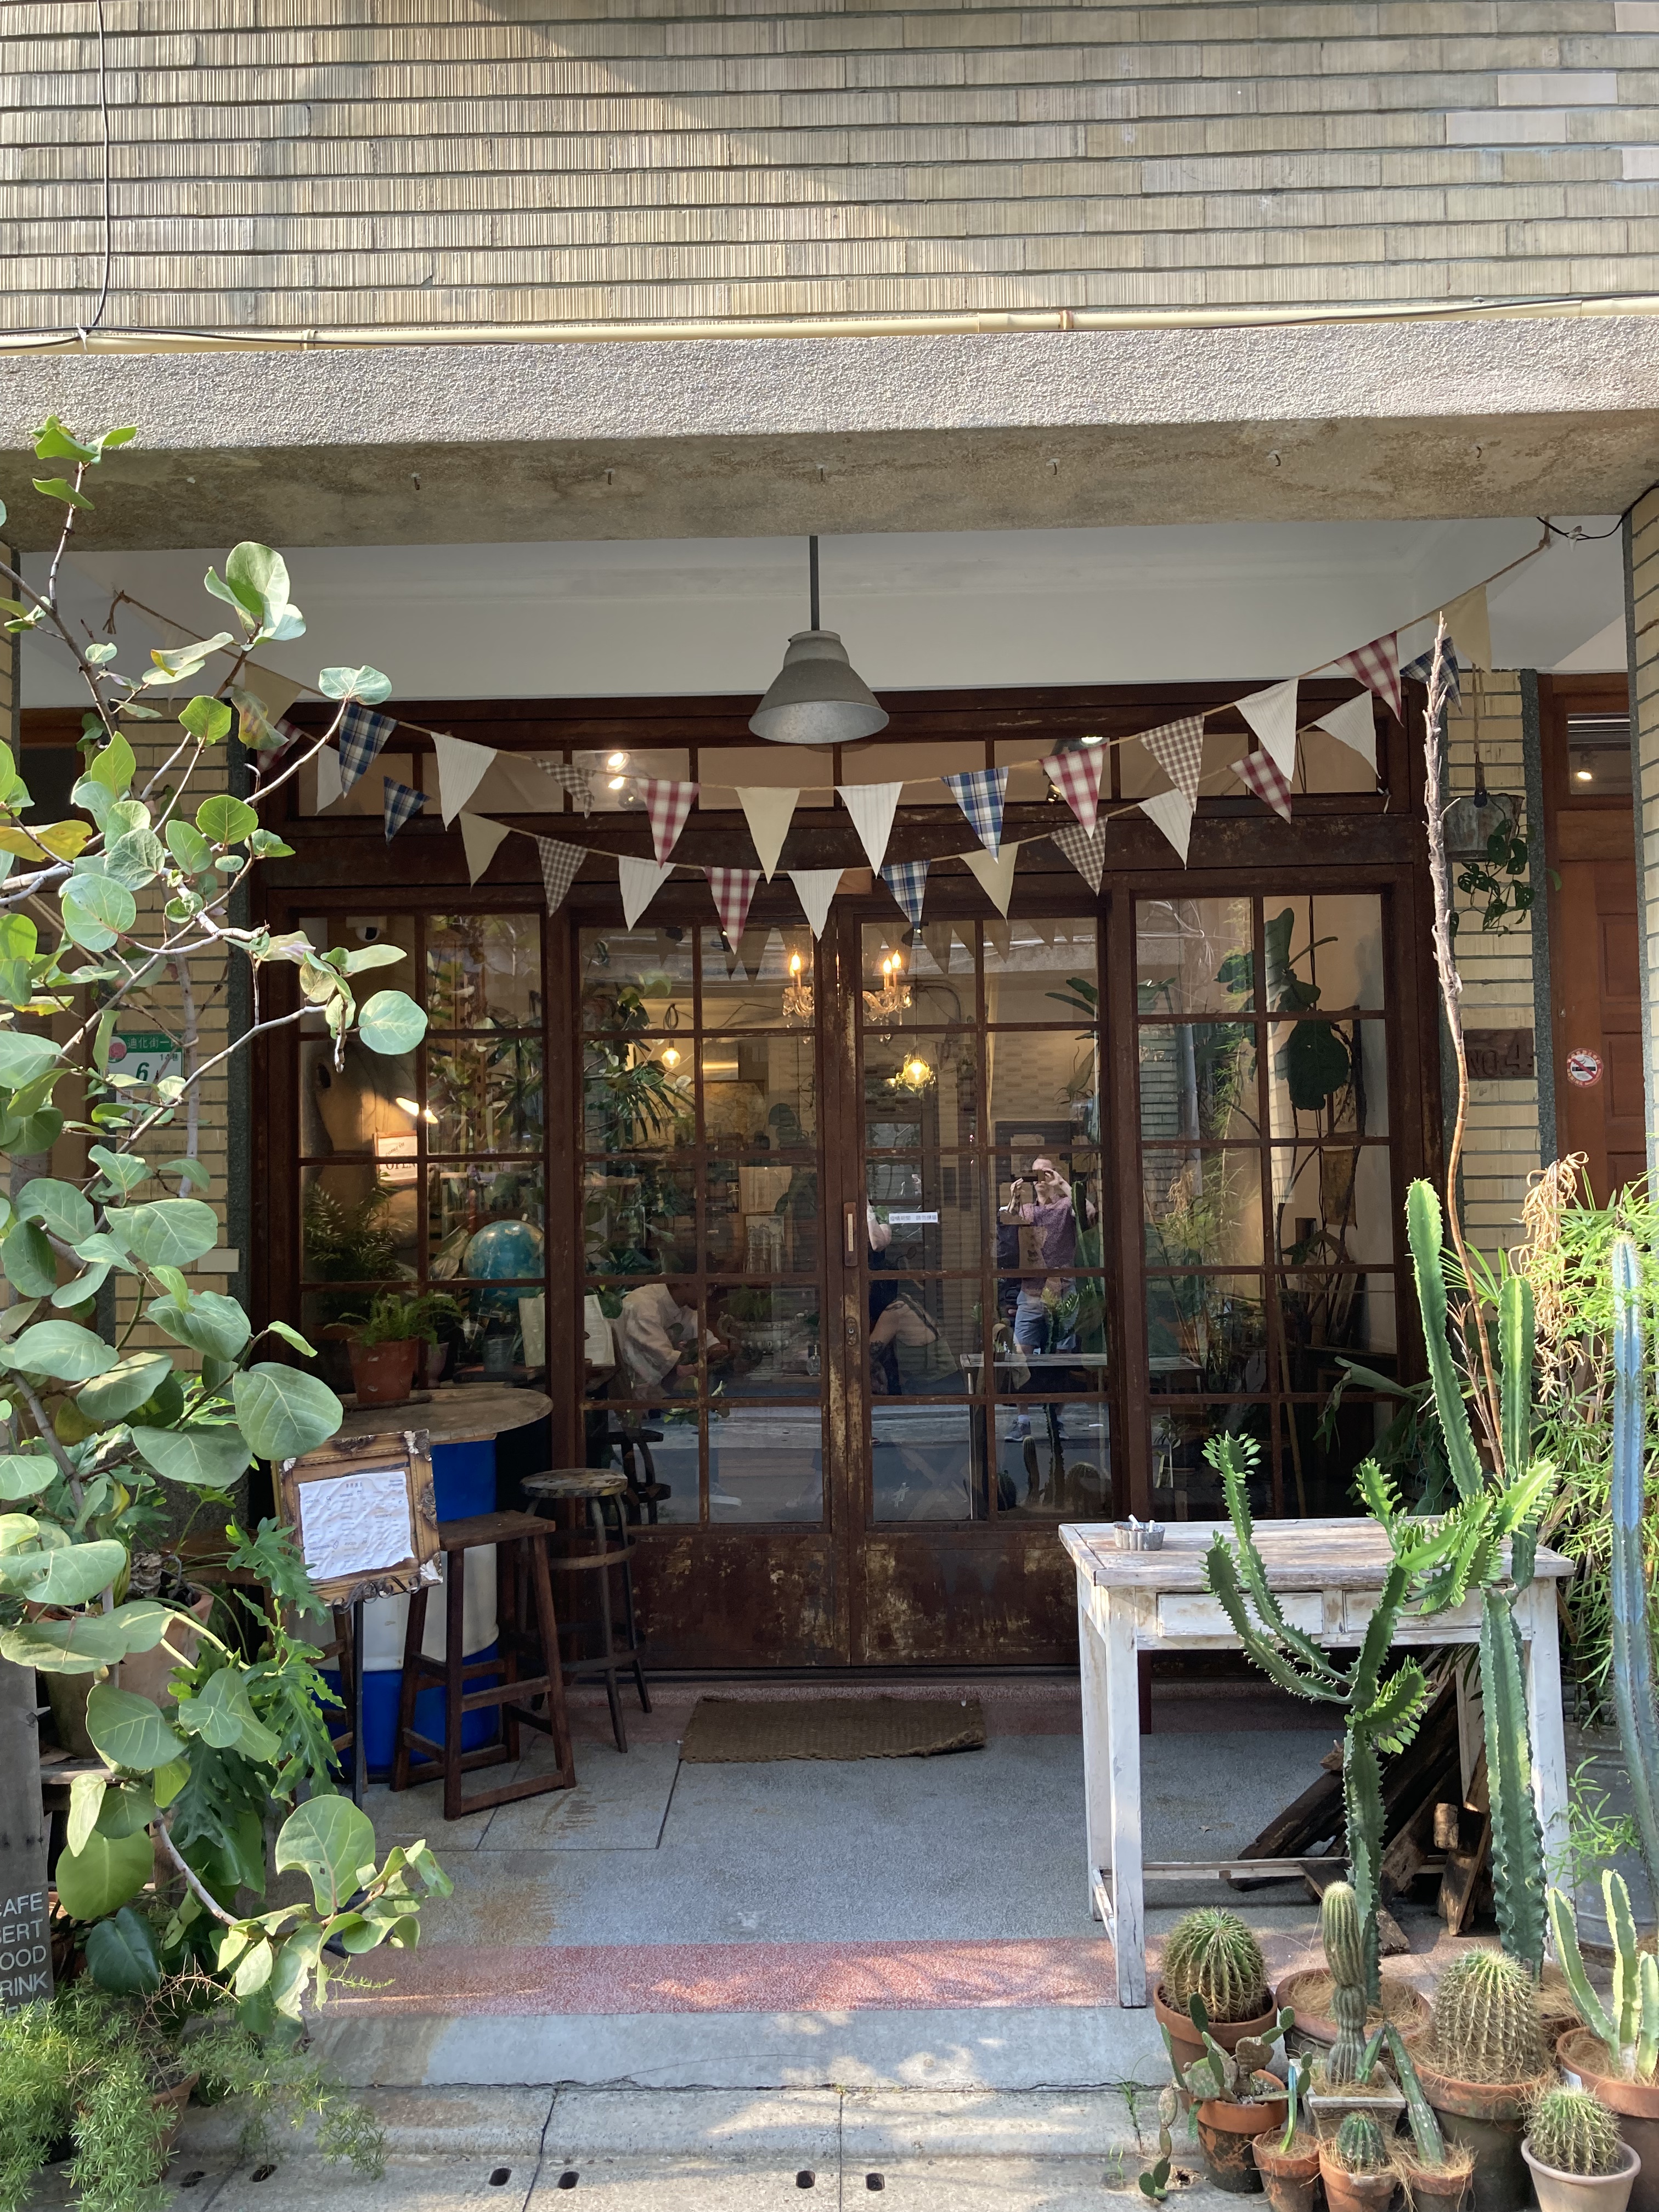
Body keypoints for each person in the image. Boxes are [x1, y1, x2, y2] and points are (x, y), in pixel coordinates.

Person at [997, 1158, 1096, 1357]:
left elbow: (1089, 1213)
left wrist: (1061, 1183)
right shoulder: (1026, 1209)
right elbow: (1005, 1233)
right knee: (1021, 1356)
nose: (1041, 1178)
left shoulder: (1066, 1205)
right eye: (1036, 1173)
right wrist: (1013, 1199)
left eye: (1046, 1172)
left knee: (1063, 1354)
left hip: (1063, 1290)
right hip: (1031, 1292)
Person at [616, 1278, 721, 1400]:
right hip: (627, 1396)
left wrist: (718, 1351)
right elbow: (670, 1364)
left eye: (713, 1287)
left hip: (653, 1394)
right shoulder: (644, 1306)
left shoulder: (683, 1306)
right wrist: (702, 1364)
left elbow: (709, 1343)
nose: (709, 1293)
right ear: (682, 1280)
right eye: (707, 1286)